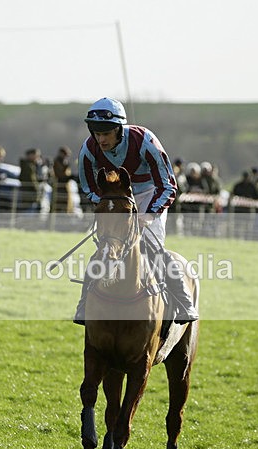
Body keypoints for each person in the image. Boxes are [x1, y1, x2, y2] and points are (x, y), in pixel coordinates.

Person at [75, 97, 198, 324]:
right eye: (96, 133)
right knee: (105, 245)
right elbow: (88, 186)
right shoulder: (88, 149)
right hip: (118, 198)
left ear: (119, 129)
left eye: (106, 133)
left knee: (152, 246)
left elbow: (168, 185)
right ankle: (84, 304)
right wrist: (106, 207)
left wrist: (147, 215)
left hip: (150, 194)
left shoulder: (145, 141)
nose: (100, 139)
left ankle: (183, 302)